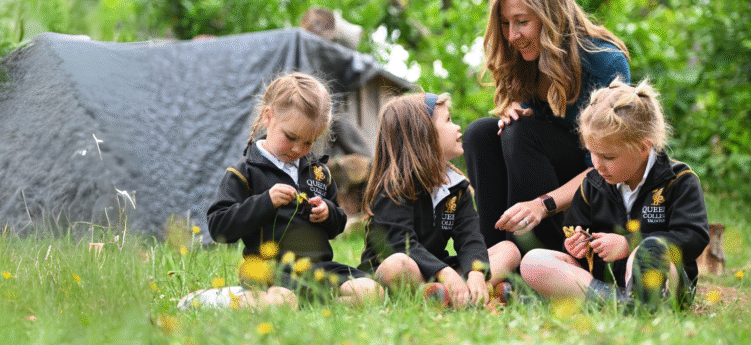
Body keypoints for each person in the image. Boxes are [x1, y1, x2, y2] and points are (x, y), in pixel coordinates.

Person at [463, 0, 631, 254]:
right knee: (482, 133)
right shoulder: (527, 60)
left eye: (522, 22)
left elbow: (607, 168)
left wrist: (543, 204)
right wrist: (516, 111)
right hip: (545, 178)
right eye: (505, 23)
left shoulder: (606, 62)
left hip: (596, 192)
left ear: (551, 16)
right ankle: (492, 260)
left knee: (522, 135)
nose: (512, 35)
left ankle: (536, 259)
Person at [518, 79, 709, 312]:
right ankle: (619, 302)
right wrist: (575, 245)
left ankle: (644, 300)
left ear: (642, 147)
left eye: (608, 157)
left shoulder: (679, 180)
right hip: (604, 281)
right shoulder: (592, 184)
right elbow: (575, 231)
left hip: (664, 279)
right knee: (533, 262)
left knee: (649, 250)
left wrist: (629, 245)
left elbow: (694, 238)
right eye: (592, 154)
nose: (597, 165)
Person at [201, 72, 381, 309]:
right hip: (270, 270)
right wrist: (266, 202)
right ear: (268, 116)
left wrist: (328, 212)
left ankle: (313, 306)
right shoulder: (244, 172)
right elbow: (219, 227)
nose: (298, 149)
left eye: (308, 142)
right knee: (282, 303)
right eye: (291, 137)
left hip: (317, 269)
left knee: (372, 291)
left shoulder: (319, 173)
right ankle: (222, 300)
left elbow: (337, 225)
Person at [359, 93, 521, 308]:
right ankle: (470, 296)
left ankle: (458, 294)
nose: (457, 127)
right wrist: (444, 273)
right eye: (448, 120)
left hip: (440, 273)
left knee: (509, 250)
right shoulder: (393, 187)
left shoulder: (456, 185)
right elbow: (400, 245)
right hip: (404, 271)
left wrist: (476, 272)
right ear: (423, 135)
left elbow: (470, 237)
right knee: (398, 265)